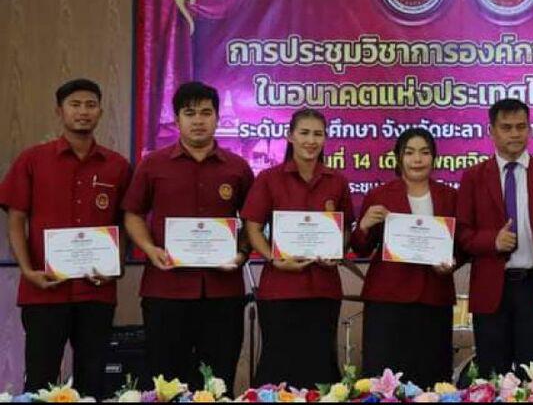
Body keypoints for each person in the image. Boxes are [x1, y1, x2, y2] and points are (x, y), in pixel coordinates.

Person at [1, 79, 131, 398]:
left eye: (90, 105)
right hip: (44, 290)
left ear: (100, 112)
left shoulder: (117, 166)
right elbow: (16, 219)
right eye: (75, 105)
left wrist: (115, 267)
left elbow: (127, 223)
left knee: (93, 379)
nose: (83, 111)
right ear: (59, 111)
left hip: (96, 291)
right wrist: (28, 271)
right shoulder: (33, 160)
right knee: (40, 379)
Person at [122, 81, 253, 394]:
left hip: (222, 293)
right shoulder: (153, 164)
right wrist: (149, 249)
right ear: (176, 119)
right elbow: (132, 214)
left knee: (218, 381)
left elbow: (253, 222)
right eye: (189, 113)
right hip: (165, 290)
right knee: (166, 383)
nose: (198, 120)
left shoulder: (237, 167)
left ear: (217, 118)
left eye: (206, 113)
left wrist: (242, 253)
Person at [457, 98, 533, 377]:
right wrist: (492, 241)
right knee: (492, 377)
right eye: (506, 127)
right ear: (491, 131)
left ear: (530, 129)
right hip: (491, 289)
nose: (515, 134)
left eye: (521, 127)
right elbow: (462, 234)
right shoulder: (474, 176)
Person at [242, 108, 354, 389]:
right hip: (280, 288)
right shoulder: (269, 178)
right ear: (290, 136)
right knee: (278, 365)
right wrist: (273, 258)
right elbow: (253, 228)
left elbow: (345, 229)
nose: (311, 141)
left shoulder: (337, 181)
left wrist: (336, 252)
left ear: (325, 138)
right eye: (304, 133)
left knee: (321, 365)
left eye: (318, 134)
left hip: (324, 289)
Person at [351, 128, 458, 388]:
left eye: (424, 152)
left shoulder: (450, 196)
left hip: (433, 298)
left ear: (434, 158)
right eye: (409, 153)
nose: (417, 159)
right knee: (384, 380)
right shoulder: (379, 195)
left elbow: (462, 243)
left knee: (430, 377)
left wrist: (453, 261)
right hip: (388, 301)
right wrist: (363, 225)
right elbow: (362, 248)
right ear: (399, 158)